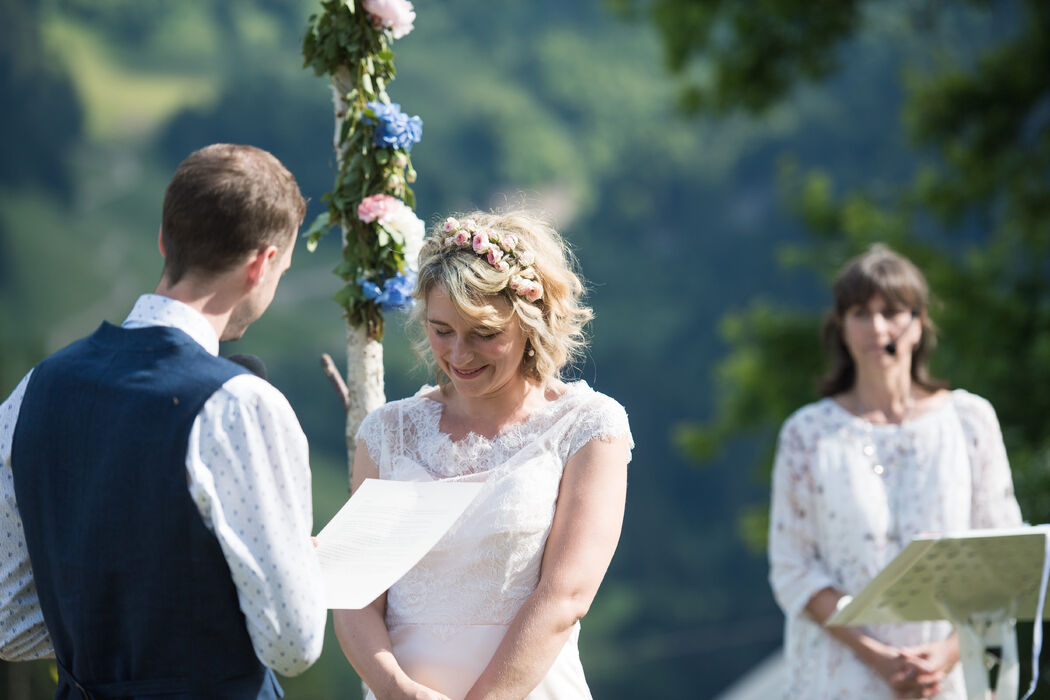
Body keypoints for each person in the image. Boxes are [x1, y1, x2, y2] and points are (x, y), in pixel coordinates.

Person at [0, 144, 326, 698]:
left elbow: (8, 624)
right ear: (261, 264)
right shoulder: (239, 406)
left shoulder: (36, 388)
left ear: (162, 240)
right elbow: (293, 644)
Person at [334, 211, 632, 700]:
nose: (458, 354)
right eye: (441, 329)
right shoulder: (388, 431)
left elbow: (565, 596)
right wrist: (393, 690)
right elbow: (354, 595)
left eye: (484, 333)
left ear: (531, 321)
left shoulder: (588, 425)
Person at [768, 244, 1024, 699]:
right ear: (841, 328)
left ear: (919, 323)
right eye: (861, 313)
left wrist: (946, 655)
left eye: (892, 312)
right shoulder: (806, 433)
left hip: (949, 676)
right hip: (839, 675)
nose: (878, 327)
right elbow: (793, 567)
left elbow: (1001, 553)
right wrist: (878, 657)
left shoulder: (969, 420)